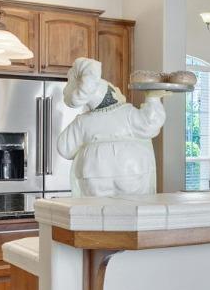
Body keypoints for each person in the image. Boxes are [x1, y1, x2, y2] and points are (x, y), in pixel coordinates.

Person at [56, 57, 168, 196]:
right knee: (132, 211)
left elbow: (64, 148)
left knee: (97, 214)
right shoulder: (128, 113)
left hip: (93, 175)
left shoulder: (83, 122)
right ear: (113, 92)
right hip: (131, 171)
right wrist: (153, 98)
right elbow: (151, 123)